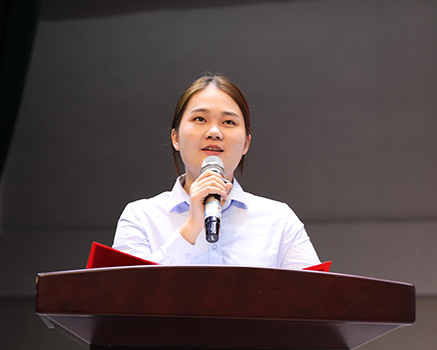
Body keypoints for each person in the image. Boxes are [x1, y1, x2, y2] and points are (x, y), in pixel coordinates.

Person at [112, 73, 320, 269]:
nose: (214, 132)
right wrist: (190, 228)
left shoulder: (280, 220)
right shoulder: (140, 217)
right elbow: (127, 292)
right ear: (175, 138)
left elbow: (316, 292)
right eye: (200, 119)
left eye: (228, 122)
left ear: (246, 144)